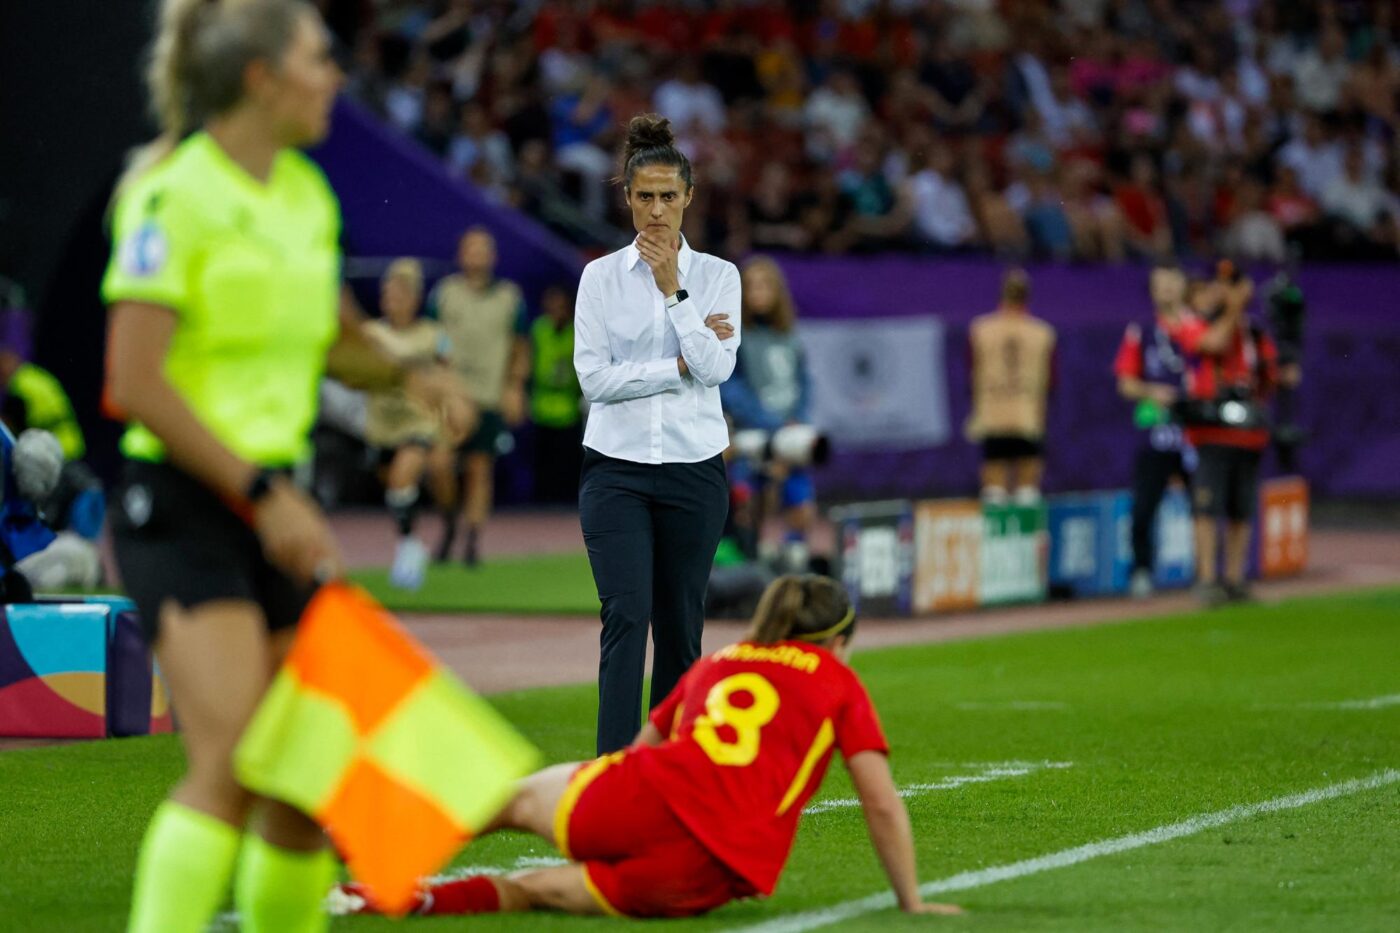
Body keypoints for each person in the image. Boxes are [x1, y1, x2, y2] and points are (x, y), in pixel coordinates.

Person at [101, 3, 469, 931]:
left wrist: (410, 371)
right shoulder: (171, 195)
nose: (336, 79)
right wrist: (261, 493)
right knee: (230, 761)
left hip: (272, 502)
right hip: (183, 503)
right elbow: (133, 380)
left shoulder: (305, 194)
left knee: (310, 788)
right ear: (262, 79)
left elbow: (332, 335)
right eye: (318, 60)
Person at [333, 575, 962, 920]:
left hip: (643, 793)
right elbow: (879, 802)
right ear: (838, 638)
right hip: (708, 869)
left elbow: (641, 747)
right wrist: (911, 901)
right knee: (537, 889)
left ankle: (362, 850)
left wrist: (608, 809)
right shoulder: (837, 680)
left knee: (513, 799)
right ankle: (415, 902)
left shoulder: (719, 662)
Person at [575, 114, 738, 755]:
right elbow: (595, 381)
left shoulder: (720, 276)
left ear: (689, 198)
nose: (657, 210)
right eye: (644, 196)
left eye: (669, 196)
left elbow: (719, 369)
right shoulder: (599, 278)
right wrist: (677, 364)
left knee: (679, 627)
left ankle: (668, 763)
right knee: (625, 616)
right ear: (627, 198)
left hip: (695, 469)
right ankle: (614, 767)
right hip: (614, 468)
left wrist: (675, 293)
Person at [1169, 262, 1279, 605]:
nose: (1219, 293)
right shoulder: (1192, 324)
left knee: (1240, 509)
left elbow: (1270, 373)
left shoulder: (1252, 332)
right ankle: (1206, 578)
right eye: (1211, 288)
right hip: (1211, 430)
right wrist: (1234, 306)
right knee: (1206, 506)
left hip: (1248, 432)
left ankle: (1234, 579)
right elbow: (1213, 344)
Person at [361, 258, 470, 589]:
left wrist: (455, 403)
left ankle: (410, 545)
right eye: (388, 292)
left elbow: (449, 372)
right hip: (381, 425)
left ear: (414, 298)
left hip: (419, 422)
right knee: (395, 489)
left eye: (400, 292)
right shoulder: (371, 333)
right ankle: (418, 532)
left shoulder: (432, 335)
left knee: (402, 477)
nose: (392, 298)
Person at [428, 226, 530, 565]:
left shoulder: (509, 298)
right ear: (461, 254)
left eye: (484, 249)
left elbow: (519, 346)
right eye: (471, 249)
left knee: (479, 468)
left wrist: (514, 386)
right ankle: (448, 522)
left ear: (494, 255)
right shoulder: (445, 293)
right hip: (452, 395)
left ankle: (471, 541)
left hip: (488, 395)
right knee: (439, 464)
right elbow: (432, 340)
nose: (477, 255)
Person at [720, 257, 816, 571]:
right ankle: (749, 562)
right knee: (751, 505)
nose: (758, 293)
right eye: (751, 287)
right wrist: (770, 422)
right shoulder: (737, 335)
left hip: (790, 435)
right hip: (753, 436)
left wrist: (797, 419)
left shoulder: (789, 335)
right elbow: (730, 386)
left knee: (800, 503)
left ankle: (793, 559)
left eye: (765, 285)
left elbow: (803, 382)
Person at [1114, 265, 1194, 598]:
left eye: (1172, 282)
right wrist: (1152, 391)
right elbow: (1125, 383)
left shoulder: (1200, 331)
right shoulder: (1142, 333)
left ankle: (1212, 572)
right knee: (1143, 507)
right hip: (1156, 435)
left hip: (1195, 435)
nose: (1166, 290)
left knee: (1206, 505)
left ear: (1183, 285)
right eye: (1159, 285)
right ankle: (1142, 571)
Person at [966, 269, 1056, 505]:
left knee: (994, 488)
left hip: (993, 414)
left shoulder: (981, 329)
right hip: (1027, 415)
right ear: (1028, 296)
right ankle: (1026, 536)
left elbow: (970, 371)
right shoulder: (1042, 332)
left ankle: (996, 537)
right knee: (1027, 488)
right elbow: (1052, 380)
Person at [528, 285, 583, 504]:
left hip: (569, 405)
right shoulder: (538, 329)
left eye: (561, 305)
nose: (556, 310)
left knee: (568, 458)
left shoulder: (576, 330)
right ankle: (542, 499)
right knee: (543, 458)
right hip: (541, 404)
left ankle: (566, 499)